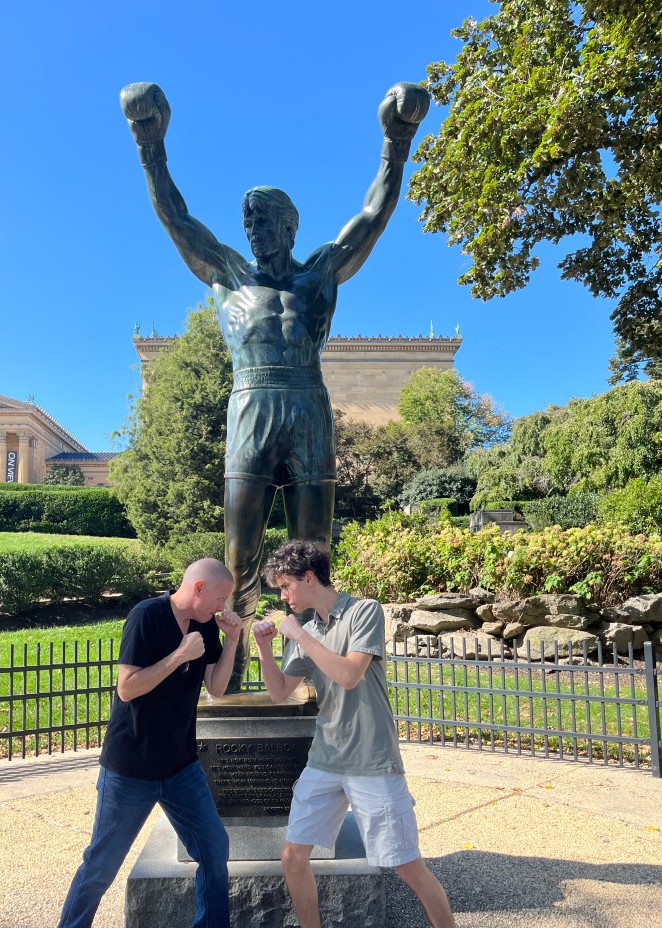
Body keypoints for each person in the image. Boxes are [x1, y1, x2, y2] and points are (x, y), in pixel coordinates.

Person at [119, 79, 429, 688]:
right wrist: (149, 141)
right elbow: (175, 216)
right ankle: (228, 676)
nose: (253, 230)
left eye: (264, 221)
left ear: (290, 227)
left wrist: (397, 140)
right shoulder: (227, 275)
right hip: (251, 405)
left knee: (313, 552)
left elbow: (373, 216)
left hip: (308, 406)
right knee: (240, 555)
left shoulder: (320, 275)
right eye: (247, 221)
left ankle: (306, 671)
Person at [252, 541, 476, 928]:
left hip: (373, 759)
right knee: (293, 854)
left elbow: (350, 674)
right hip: (326, 757)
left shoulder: (363, 612)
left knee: (405, 865)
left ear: (309, 577)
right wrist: (266, 648)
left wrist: (299, 634)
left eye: (287, 587)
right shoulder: (304, 629)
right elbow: (279, 693)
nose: (284, 597)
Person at [41, 559, 263, 928]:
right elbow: (127, 688)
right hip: (131, 768)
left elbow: (217, 689)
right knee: (100, 866)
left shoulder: (207, 625)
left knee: (215, 850)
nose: (224, 606)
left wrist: (234, 638)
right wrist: (179, 656)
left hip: (181, 766)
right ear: (197, 587)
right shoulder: (147, 615)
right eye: (220, 597)